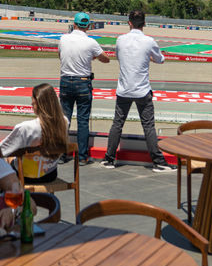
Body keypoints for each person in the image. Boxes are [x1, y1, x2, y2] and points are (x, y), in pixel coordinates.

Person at [103, 10, 174, 172]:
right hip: (142, 90)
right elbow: (160, 60)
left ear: (129, 23)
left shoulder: (120, 40)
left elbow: (119, 57)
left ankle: (109, 159)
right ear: (144, 23)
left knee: (117, 124)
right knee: (148, 126)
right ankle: (158, 162)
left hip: (124, 89)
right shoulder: (148, 41)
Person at [57, 12, 109, 165]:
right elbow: (105, 59)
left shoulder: (63, 38)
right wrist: (92, 57)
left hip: (65, 81)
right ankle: (82, 157)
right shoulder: (91, 42)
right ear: (88, 26)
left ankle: (61, 155)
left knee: (64, 120)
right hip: (83, 83)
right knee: (83, 121)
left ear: (74, 25)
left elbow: (60, 56)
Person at [1, 83, 70, 184]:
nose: (31, 104)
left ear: (38, 103)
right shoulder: (64, 122)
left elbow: (1, 150)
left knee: (7, 159)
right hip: (50, 174)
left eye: (32, 101)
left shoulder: (26, 127)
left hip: (26, 176)